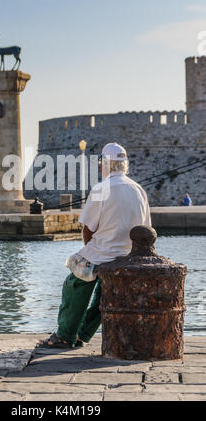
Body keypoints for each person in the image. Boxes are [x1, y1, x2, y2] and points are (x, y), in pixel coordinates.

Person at [38, 143, 151, 349]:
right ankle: (83, 335)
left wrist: (91, 251)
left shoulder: (102, 189)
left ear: (105, 165)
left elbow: (88, 228)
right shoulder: (139, 190)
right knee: (106, 294)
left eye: (101, 163)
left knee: (74, 285)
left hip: (101, 253)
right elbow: (146, 230)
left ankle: (65, 336)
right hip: (129, 256)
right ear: (125, 165)